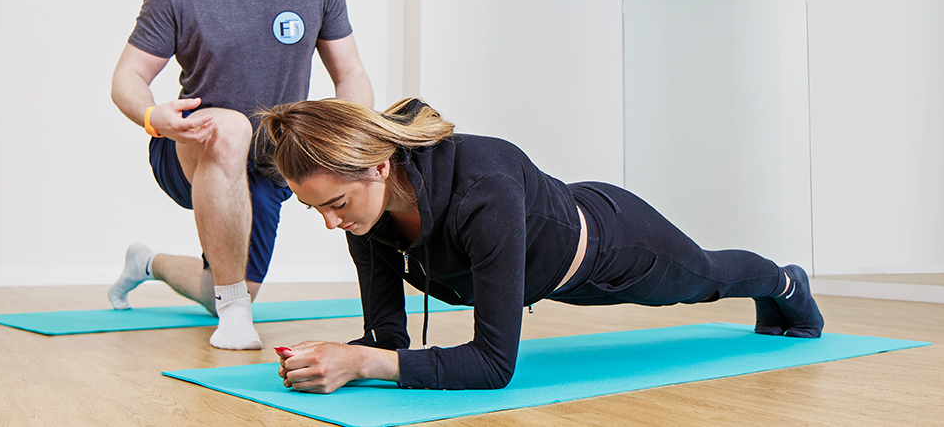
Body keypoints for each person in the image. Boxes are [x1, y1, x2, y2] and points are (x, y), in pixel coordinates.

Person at [257, 98, 824, 392]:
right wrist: (335, 358)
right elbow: (386, 338)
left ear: (379, 166)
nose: (331, 224)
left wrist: (361, 362)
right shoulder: (367, 214)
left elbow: (494, 364)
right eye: (316, 210)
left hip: (614, 246)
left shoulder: (485, 190)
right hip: (547, 269)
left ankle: (785, 282)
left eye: (335, 205)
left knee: (705, 281)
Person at [106, 0, 374, 351]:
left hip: (269, 163)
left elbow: (351, 72)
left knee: (222, 288)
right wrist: (153, 115)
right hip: (189, 144)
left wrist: (355, 139)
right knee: (229, 127)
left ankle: (148, 264)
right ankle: (233, 313)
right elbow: (127, 77)